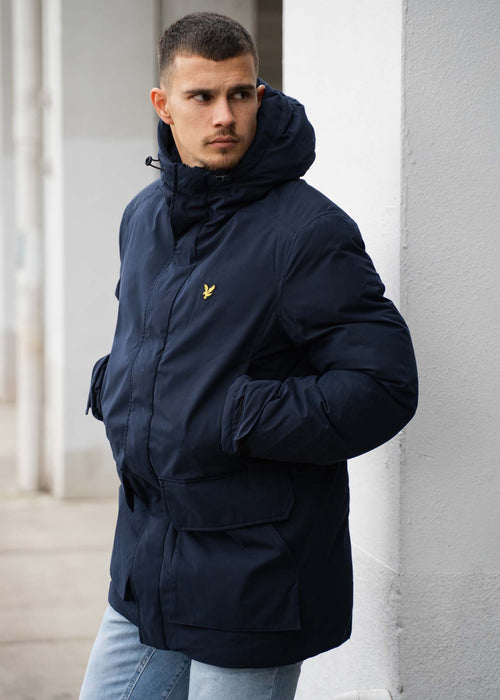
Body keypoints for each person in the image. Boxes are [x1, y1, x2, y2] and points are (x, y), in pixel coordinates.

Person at [81, 11, 418, 700]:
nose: (225, 116)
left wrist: (235, 414)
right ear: (164, 104)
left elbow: (383, 385)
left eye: (241, 94)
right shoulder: (144, 218)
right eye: (202, 97)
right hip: (148, 559)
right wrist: (117, 387)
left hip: (254, 576)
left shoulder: (307, 232)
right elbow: (150, 343)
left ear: (259, 93)